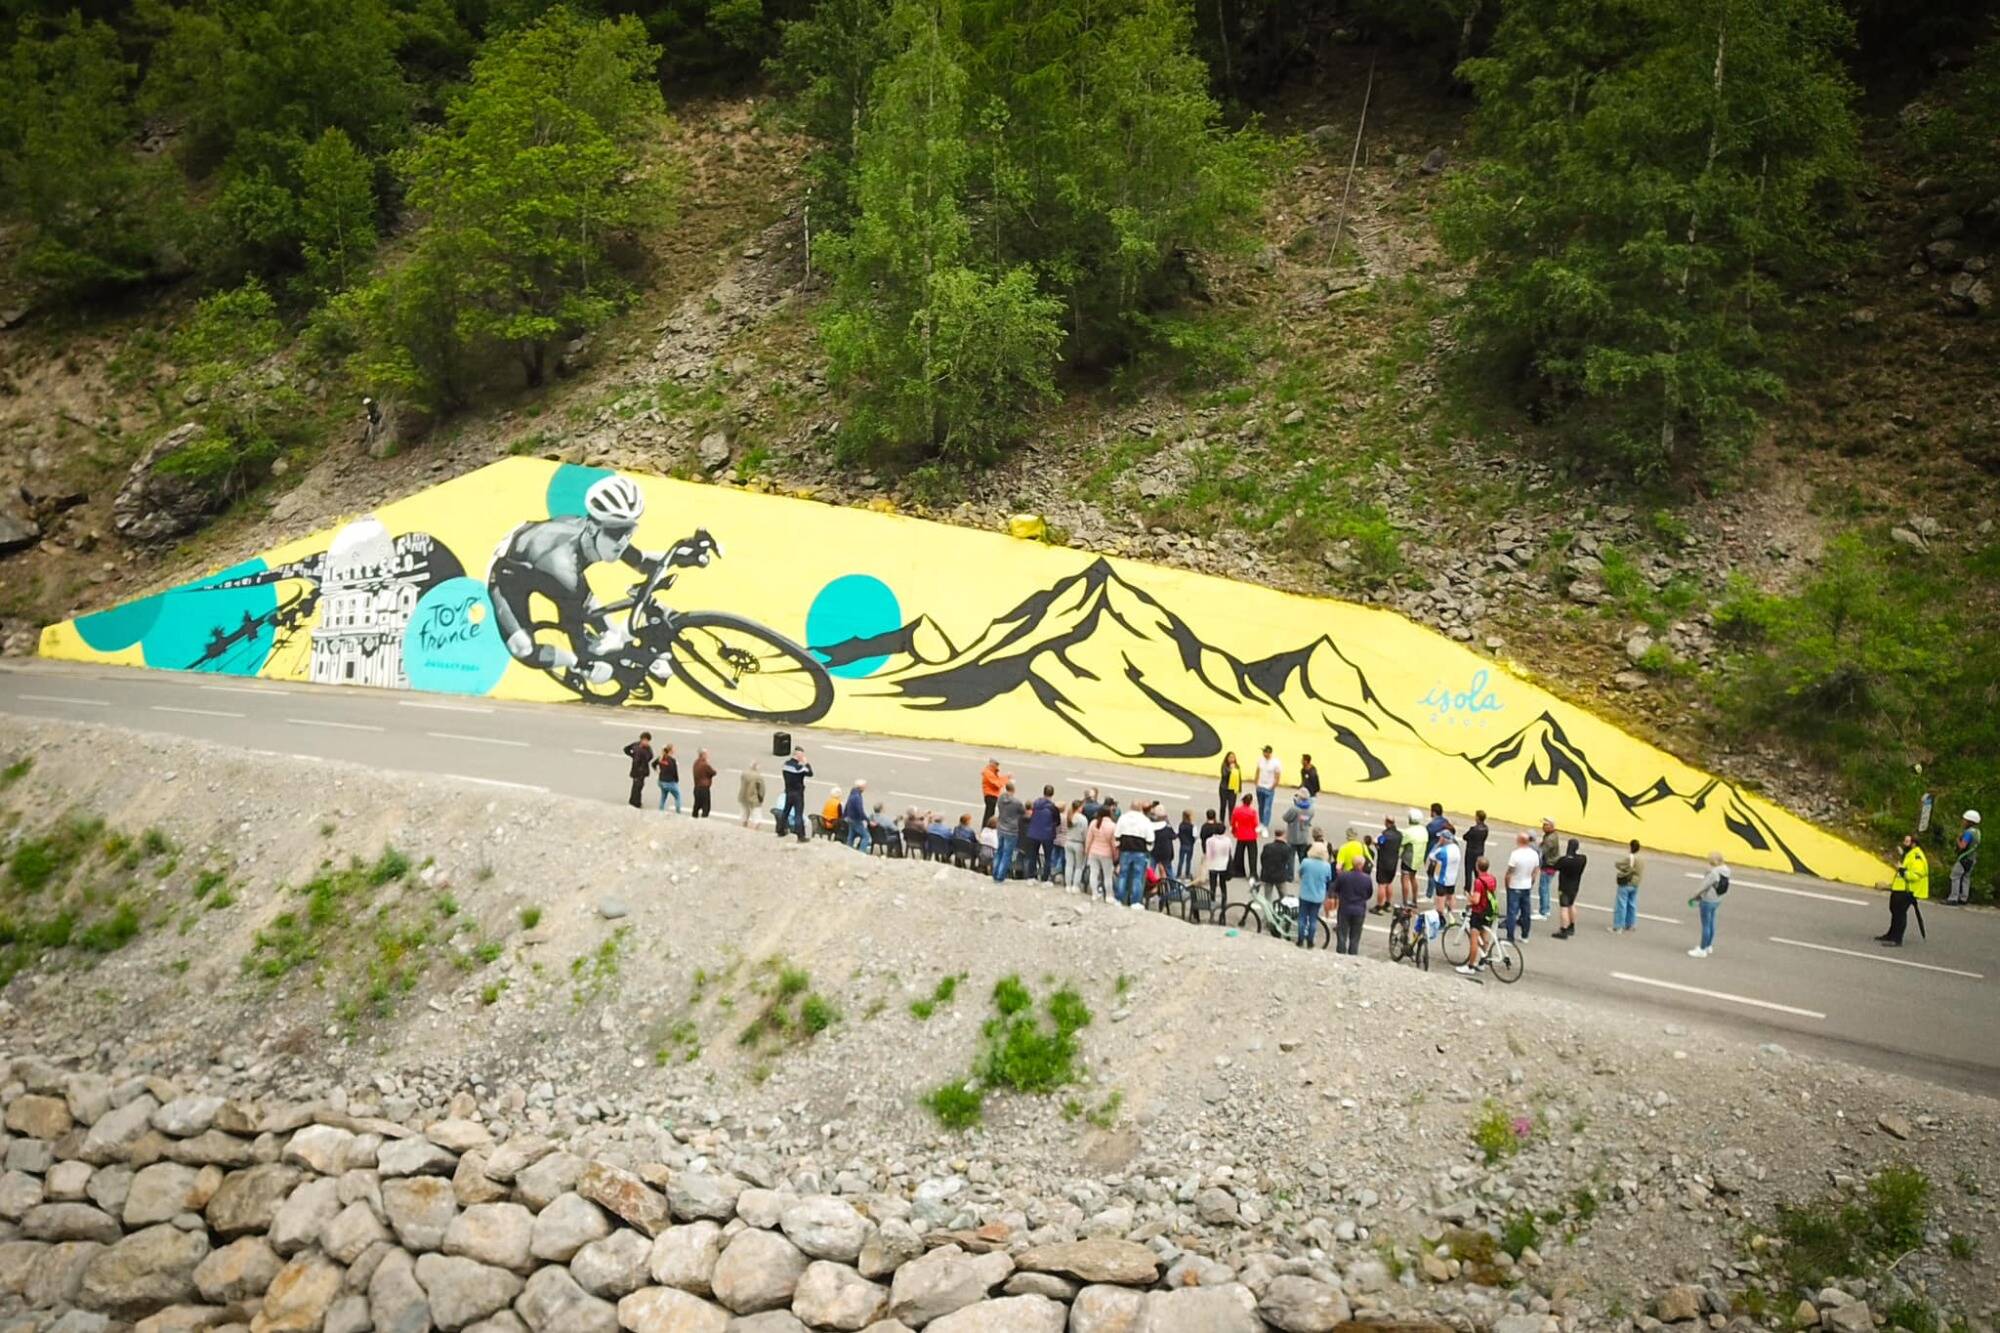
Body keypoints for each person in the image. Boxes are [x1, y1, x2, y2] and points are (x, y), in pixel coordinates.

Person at [487, 473, 706, 687]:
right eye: (617, 533)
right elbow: (578, 639)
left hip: (546, 548)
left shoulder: (603, 535)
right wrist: (586, 662)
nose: (623, 541)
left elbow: (641, 562)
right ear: (592, 528)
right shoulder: (563, 571)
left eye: (629, 531)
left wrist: (682, 556)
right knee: (524, 649)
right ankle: (573, 666)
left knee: (609, 631)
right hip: (510, 574)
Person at [1878, 834, 1929, 947]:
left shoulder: (1916, 856)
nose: (1904, 843)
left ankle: (1897, 939)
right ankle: (1891, 934)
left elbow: (1917, 875)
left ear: (1913, 844)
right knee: (1894, 911)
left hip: (1908, 890)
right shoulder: (1909, 854)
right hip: (1900, 888)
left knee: (1900, 914)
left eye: (1906, 842)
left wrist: (1902, 871)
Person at [1458, 856, 1498, 975]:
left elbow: (1476, 900)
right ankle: (1482, 962)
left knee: (1474, 940)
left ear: (1477, 867)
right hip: (1488, 911)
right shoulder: (1492, 878)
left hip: (1479, 912)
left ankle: (1471, 966)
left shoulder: (1479, 881)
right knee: (1484, 937)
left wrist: (1468, 897)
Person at [1688, 851, 1729, 957]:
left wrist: (1694, 896)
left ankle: (1702, 949)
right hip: (1717, 899)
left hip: (1708, 900)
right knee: (1711, 923)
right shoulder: (1726, 870)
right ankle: (1708, 945)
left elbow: (1704, 886)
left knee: (1706, 925)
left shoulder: (1713, 873)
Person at [1114, 801, 1154, 908]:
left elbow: (1117, 834)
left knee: (1123, 875)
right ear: (1140, 808)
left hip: (1125, 850)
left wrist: (1119, 845)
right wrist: (1148, 849)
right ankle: (1135, 902)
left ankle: (1119, 899)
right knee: (1137, 877)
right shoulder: (1145, 820)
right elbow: (1150, 838)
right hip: (1140, 851)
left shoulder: (1123, 818)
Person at [1332, 857, 1373, 955]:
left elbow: (1336, 889)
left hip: (1345, 908)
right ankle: (1353, 953)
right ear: (1362, 865)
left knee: (1342, 933)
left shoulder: (1343, 876)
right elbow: (1369, 893)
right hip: (1359, 909)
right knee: (1355, 936)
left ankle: (1341, 952)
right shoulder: (1367, 879)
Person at [1504, 831, 1539, 942]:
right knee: (1526, 911)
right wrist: (1531, 882)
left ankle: (1510, 937)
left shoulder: (1515, 854)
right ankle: (1525, 935)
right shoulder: (1534, 854)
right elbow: (1535, 871)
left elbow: (1510, 872)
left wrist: (1507, 885)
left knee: (1512, 912)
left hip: (1515, 884)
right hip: (1526, 884)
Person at [1023, 784, 1060, 881]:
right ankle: (1045, 878)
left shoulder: (1035, 803)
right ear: (1052, 794)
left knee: (1032, 856)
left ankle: (1031, 876)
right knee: (1048, 858)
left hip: (1033, 832)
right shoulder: (1053, 807)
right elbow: (1057, 821)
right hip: (1047, 835)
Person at [1297, 845, 1330, 947]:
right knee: (1313, 919)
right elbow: (1328, 878)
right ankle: (1310, 941)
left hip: (1305, 893)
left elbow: (1300, 873)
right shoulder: (1326, 866)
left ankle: (1300, 939)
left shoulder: (1306, 862)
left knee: (1302, 917)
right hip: (1318, 896)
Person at [1552, 838, 1586, 939]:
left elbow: (1555, 866)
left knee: (1564, 907)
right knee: (1571, 905)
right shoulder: (1582, 859)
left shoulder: (1564, 860)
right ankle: (1572, 926)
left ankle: (1564, 929)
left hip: (1564, 886)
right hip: (1575, 886)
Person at [992, 782, 1025, 883]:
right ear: (1013, 790)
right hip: (1011, 830)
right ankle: (1000, 876)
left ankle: (995, 872)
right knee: (1007, 854)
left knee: (999, 851)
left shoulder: (1000, 799)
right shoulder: (1017, 803)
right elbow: (1022, 812)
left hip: (1000, 827)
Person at [1085, 802, 1119, 899]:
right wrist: (1115, 855)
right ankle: (1108, 895)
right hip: (1106, 853)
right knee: (1107, 876)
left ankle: (1094, 894)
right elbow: (1113, 844)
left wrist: (1087, 851)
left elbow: (1089, 839)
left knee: (1094, 873)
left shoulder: (1094, 823)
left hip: (1093, 851)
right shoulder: (1112, 826)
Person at [1426, 826, 1462, 915]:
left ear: (1444, 839)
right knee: (1451, 895)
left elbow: (1431, 856)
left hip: (1442, 878)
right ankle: (1450, 913)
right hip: (1452, 878)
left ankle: (1440, 915)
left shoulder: (1442, 851)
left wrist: (1438, 844)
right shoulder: (1456, 848)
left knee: (1440, 897)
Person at [778, 747, 812, 842]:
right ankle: (800, 835)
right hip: (798, 793)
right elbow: (810, 773)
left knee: (786, 812)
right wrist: (806, 763)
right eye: (802, 755)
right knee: (798, 814)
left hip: (788, 791)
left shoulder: (786, 765)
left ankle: (780, 830)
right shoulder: (799, 768)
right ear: (798, 755)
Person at [1948, 810, 1982, 905]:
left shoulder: (1968, 833)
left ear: (1969, 822)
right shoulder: (1977, 832)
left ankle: (1953, 898)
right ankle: (1964, 898)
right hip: (1972, 859)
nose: (1963, 822)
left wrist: (1958, 840)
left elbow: (1962, 846)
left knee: (1955, 876)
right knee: (1966, 877)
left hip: (1964, 858)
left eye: (1965, 820)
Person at [1203, 817, 1234, 920]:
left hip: (1213, 865)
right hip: (1224, 865)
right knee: (1222, 884)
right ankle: (1224, 902)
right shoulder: (1227, 840)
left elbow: (1208, 853)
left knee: (1212, 885)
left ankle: (1212, 901)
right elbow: (1230, 851)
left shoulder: (1210, 840)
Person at [1610, 839, 1643, 933]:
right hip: (1636, 883)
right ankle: (1630, 924)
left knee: (1621, 904)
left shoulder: (1629, 858)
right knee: (1632, 904)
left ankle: (1618, 926)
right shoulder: (1641, 859)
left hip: (1627, 882)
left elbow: (1618, 864)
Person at [1370, 815, 1401, 913]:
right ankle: (1388, 903)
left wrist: (1377, 845)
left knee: (1382, 884)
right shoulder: (1399, 835)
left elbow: (1376, 841)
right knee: (1389, 883)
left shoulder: (1384, 835)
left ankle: (1379, 906)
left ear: (1387, 822)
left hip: (1384, 862)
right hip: (1394, 862)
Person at [1229, 793, 1261, 884]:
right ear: (1250, 802)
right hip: (1251, 835)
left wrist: (1234, 831)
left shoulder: (1237, 810)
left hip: (1241, 834)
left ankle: (1238, 871)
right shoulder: (1252, 812)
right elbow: (1255, 824)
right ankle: (1253, 873)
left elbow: (1233, 822)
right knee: (1252, 855)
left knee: (1239, 853)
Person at [1257, 830, 1294, 906]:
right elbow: (1289, 862)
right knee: (1284, 897)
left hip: (1268, 875)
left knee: (1267, 897)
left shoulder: (1267, 846)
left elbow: (1262, 859)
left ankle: (1268, 912)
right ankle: (1284, 910)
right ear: (1284, 836)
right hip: (1280, 876)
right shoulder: (1287, 848)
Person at [1536, 818, 1561, 921]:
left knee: (1543, 888)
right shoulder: (1551, 835)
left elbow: (1542, 851)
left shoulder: (1550, 839)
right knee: (1545, 888)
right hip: (1551, 864)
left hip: (1549, 865)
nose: (1543, 827)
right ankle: (1545, 908)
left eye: (1545, 825)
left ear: (1551, 826)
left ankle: (1544, 911)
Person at [621, 731, 653, 809]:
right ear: (641, 739)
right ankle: (634, 802)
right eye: (645, 740)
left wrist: (644, 761)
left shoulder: (648, 749)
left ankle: (636, 802)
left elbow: (650, 756)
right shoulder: (635, 745)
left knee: (639, 786)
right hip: (635, 769)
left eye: (647, 740)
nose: (646, 742)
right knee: (635, 786)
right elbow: (626, 749)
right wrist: (632, 755)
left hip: (642, 770)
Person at [1282, 789, 1314, 868]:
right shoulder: (1311, 809)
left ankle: (1290, 874)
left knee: (1290, 859)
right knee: (1303, 859)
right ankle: (1304, 873)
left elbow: (1285, 818)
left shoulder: (1294, 809)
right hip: (1304, 837)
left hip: (1292, 837)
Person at [1399, 808, 1424, 906]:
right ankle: (1414, 900)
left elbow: (1401, 843)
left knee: (1405, 879)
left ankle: (1405, 901)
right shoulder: (1423, 830)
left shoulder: (1408, 832)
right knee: (1413, 878)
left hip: (1408, 858)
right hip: (1418, 859)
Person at [1063, 800, 1089, 890]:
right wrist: (1086, 845)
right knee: (1078, 866)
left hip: (1068, 841)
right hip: (1078, 843)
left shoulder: (1069, 816)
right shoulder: (1083, 819)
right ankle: (1075, 885)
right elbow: (1085, 833)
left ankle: (1068, 885)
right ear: (1079, 808)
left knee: (1069, 864)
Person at [1254, 746, 1283, 826]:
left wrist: (1273, 786)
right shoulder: (1260, 760)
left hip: (1269, 788)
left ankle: (1265, 826)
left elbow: (1277, 776)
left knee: (1267, 808)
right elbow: (1257, 771)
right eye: (1263, 752)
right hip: (1260, 787)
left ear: (1269, 753)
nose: (1264, 754)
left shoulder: (1276, 762)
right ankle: (1261, 823)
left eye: (1265, 752)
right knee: (1261, 807)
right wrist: (1256, 783)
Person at [1461, 810, 1489, 890]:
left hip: (1471, 851)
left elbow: (1465, 837)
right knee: (1478, 870)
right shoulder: (1485, 828)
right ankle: (1479, 886)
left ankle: (1468, 887)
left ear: (1477, 818)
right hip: (1480, 851)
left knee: (1468, 870)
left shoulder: (1473, 829)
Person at [843, 780, 870, 850]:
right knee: (866, 836)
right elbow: (860, 810)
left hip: (850, 818)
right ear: (861, 787)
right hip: (856, 819)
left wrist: (845, 815)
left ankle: (848, 849)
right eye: (864, 787)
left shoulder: (852, 794)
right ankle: (861, 851)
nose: (865, 788)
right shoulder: (857, 797)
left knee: (851, 836)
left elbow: (847, 805)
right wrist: (867, 820)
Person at [737, 762, 766, 828]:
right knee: (756, 814)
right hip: (754, 797)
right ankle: (755, 828)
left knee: (744, 813)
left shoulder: (744, 774)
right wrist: (761, 798)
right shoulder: (759, 777)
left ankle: (744, 826)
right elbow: (762, 789)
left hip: (743, 795)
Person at [655, 744, 682, 813]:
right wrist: (676, 781)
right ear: (670, 750)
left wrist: (658, 771)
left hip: (661, 781)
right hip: (669, 782)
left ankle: (660, 810)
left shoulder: (661, 758)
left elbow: (653, 764)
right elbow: (674, 772)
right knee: (678, 796)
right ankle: (678, 812)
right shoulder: (672, 760)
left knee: (663, 797)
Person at [980, 760, 1007, 827]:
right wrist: (1006, 779)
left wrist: (1006, 777)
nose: (998, 767)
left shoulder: (992, 772)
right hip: (990, 795)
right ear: (992, 765)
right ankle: (986, 827)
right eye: (997, 765)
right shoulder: (988, 773)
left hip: (992, 795)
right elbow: (997, 784)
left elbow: (998, 779)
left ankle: (986, 827)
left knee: (990, 813)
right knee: (989, 814)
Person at [691, 749, 717, 819]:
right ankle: (704, 820)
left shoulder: (696, 763)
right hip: (704, 788)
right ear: (703, 755)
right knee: (706, 807)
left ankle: (694, 818)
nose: (707, 756)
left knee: (696, 806)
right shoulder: (705, 765)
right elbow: (713, 772)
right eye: (706, 754)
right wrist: (707, 763)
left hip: (696, 787)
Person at [1217, 751, 1241, 821]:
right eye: (1230, 757)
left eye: (1233, 757)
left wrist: (1239, 789)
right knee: (1223, 806)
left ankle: (1231, 821)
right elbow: (1224, 775)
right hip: (1224, 788)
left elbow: (1239, 778)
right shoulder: (1224, 765)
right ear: (1227, 758)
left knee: (1231, 806)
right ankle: (1222, 821)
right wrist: (1230, 770)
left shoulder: (1237, 766)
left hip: (1232, 789)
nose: (1231, 759)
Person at [1175, 809, 1197, 882]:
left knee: (1181, 860)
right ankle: (1187, 875)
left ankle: (1178, 874)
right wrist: (1193, 841)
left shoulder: (1181, 825)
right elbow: (1195, 836)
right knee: (1188, 861)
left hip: (1183, 844)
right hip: (1190, 845)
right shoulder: (1192, 826)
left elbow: (1178, 834)